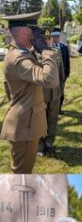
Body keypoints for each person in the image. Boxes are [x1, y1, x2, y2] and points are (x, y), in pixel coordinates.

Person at [1, 12, 58, 173]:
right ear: (24, 32)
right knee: (21, 173)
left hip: (27, 121)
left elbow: (8, 88)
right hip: (25, 125)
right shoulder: (19, 58)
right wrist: (46, 51)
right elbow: (50, 80)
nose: (38, 34)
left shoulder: (23, 53)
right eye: (35, 30)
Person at [38, 28, 64, 157]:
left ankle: (49, 143)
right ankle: (39, 145)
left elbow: (61, 72)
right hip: (41, 93)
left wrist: (61, 88)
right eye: (45, 39)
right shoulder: (35, 54)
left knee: (53, 119)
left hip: (55, 92)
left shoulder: (57, 52)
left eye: (49, 38)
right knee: (40, 119)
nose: (48, 41)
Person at [51, 28, 70, 114]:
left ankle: (59, 109)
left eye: (58, 36)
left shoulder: (64, 47)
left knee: (61, 91)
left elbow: (67, 61)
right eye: (54, 36)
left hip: (62, 74)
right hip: (51, 74)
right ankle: (51, 109)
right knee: (51, 92)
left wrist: (67, 73)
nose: (56, 38)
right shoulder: (48, 47)